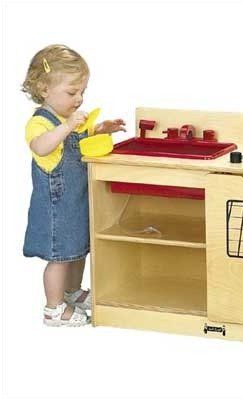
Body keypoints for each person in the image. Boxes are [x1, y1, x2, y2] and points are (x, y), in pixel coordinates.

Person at [22, 44, 126, 326]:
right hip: (56, 208)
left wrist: (101, 129)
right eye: (72, 93)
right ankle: (53, 308)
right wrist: (67, 126)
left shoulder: (67, 120)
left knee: (78, 250)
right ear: (44, 89)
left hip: (77, 201)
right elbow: (41, 147)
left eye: (82, 92)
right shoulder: (40, 123)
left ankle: (72, 291)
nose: (79, 99)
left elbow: (82, 140)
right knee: (59, 257)